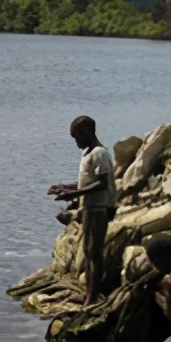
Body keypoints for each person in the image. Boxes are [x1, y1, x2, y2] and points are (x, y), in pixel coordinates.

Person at [49, 115, 117, 307]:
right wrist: (64, 188)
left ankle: (93, 297)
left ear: (87, 133)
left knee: (94, 253)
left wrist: (75, 194)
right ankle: (88, 293)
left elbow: (102, 183)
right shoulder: (87, 154)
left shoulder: (100, 154)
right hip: (89, 207)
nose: (76, 142)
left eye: (77, 137)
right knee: (87, 252)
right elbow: (85, 182)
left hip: (99, 208)